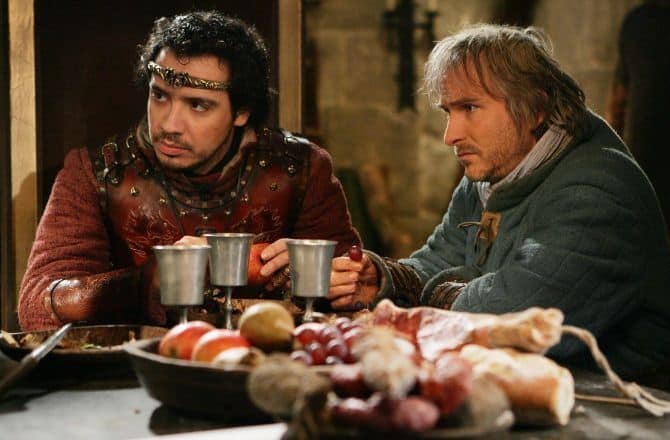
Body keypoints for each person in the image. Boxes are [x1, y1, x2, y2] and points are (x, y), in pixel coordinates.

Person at [329, 24, 670, 381]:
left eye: (470, 108)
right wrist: (383, 279)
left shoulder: (599, 193)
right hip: (526, 379)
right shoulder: (491, 172)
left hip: (620, 397)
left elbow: (507, 316)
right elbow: (441, 257)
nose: (450, 136)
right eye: (448, 112)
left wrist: (425, 296)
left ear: (535, 108)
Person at [18, 11, 360, 331]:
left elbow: (353, 295)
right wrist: (143, 284)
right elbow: (37, 306)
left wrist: (329, 274)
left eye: (197, 105)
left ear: (241, 111)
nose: (169, 124)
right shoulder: (96, 173)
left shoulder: (300, 169)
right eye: (160, 96)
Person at [606, 0, 670, 239]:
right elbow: (618, 102)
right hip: (645, 159)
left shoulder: (637, 21)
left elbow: (617, 103)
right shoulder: (638, 22)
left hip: (643, 159)